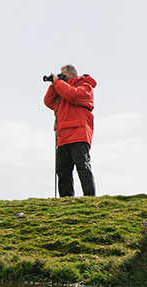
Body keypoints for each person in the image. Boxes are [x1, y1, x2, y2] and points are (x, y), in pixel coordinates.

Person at [44, 64, 97, 197]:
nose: (61, 78)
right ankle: (66, 199)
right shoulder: (62, 89)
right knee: (63, 169)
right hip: (63, 135)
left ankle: (89, 197)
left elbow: (72, 95)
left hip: (79, 133)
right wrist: (54, 84)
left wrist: (58, 82)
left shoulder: (85, 86)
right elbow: (48, 101)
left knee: (82, 166)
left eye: (64, 75)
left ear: (73, 75)